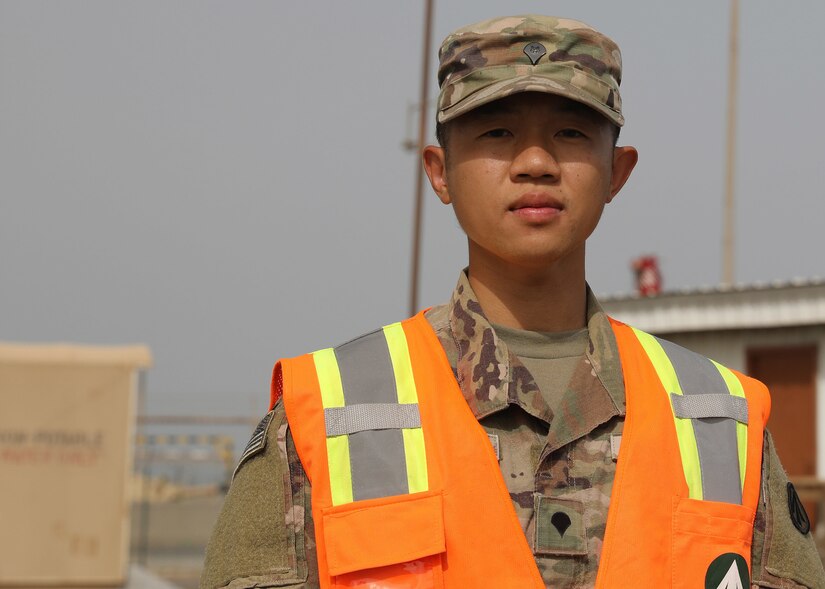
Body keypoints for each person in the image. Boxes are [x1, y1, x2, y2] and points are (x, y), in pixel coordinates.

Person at [201, 15, 825, 589]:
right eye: (498, 132)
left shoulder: (723, 425)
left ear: (618, 172)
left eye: (571, 133)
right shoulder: (327, 415)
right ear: (440, 173)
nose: (535, 162)